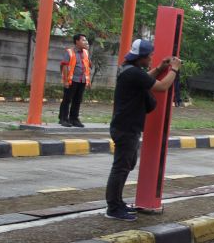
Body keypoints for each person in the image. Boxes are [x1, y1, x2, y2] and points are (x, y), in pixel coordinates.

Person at [104, 38, 180, 221]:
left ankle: (118, 202)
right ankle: (113, 208)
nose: (152, 58)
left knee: (128, 164)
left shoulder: (131, 71)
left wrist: (161, 68)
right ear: (141, 58)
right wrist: (174, 69)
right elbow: (161, 87)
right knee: (121, 167)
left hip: (126, 126)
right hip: (126, 128)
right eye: (150, 56)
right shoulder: (134, 74)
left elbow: (147, 79)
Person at [58, 34, 91, 128]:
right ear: (77, 41)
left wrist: (88, 80)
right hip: (71, 80)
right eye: (83, 40)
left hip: (82, 80)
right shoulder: (69, 52)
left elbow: (87, 66)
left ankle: (74, 118)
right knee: (67, 99)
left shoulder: (86, 52)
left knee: (77, 100)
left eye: (86, 40)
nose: (86, 42)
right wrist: (65, 81)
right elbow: (64, 66)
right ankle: (63, 118)